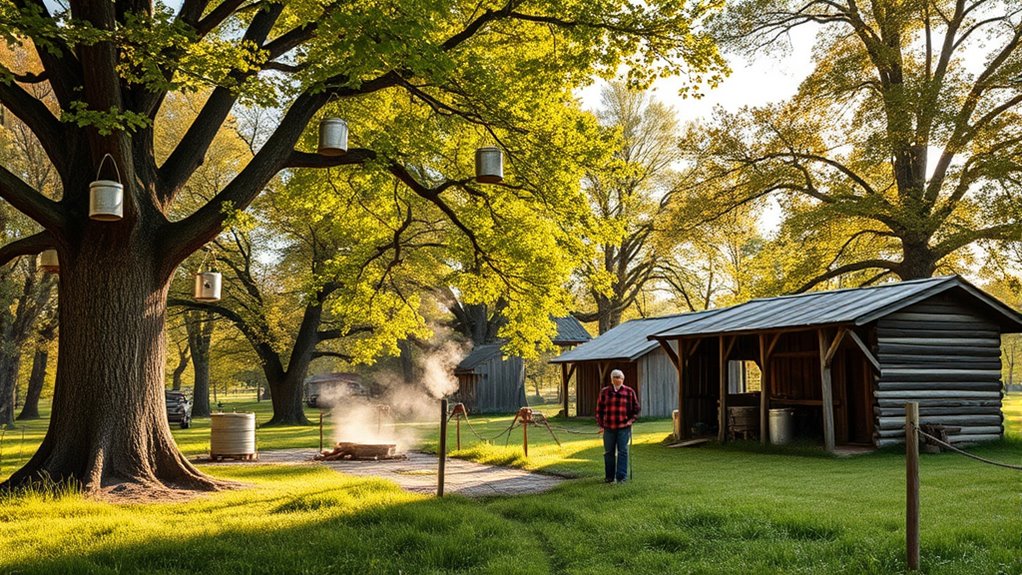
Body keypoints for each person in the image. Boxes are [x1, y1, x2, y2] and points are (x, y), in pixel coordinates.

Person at [596, 369, 640, 483]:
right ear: (611, 379)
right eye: (615, 377)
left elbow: (637, 410)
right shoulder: (604, 392)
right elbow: (599, 410)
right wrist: (601, 425)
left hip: (623, 427)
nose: (617, 379)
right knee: (609, 452)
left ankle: (621, 477)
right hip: (609, 428)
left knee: (623, 451)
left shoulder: (629, 392)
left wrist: (631, 421)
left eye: (619, 377)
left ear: (623, 379)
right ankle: (609, 477)